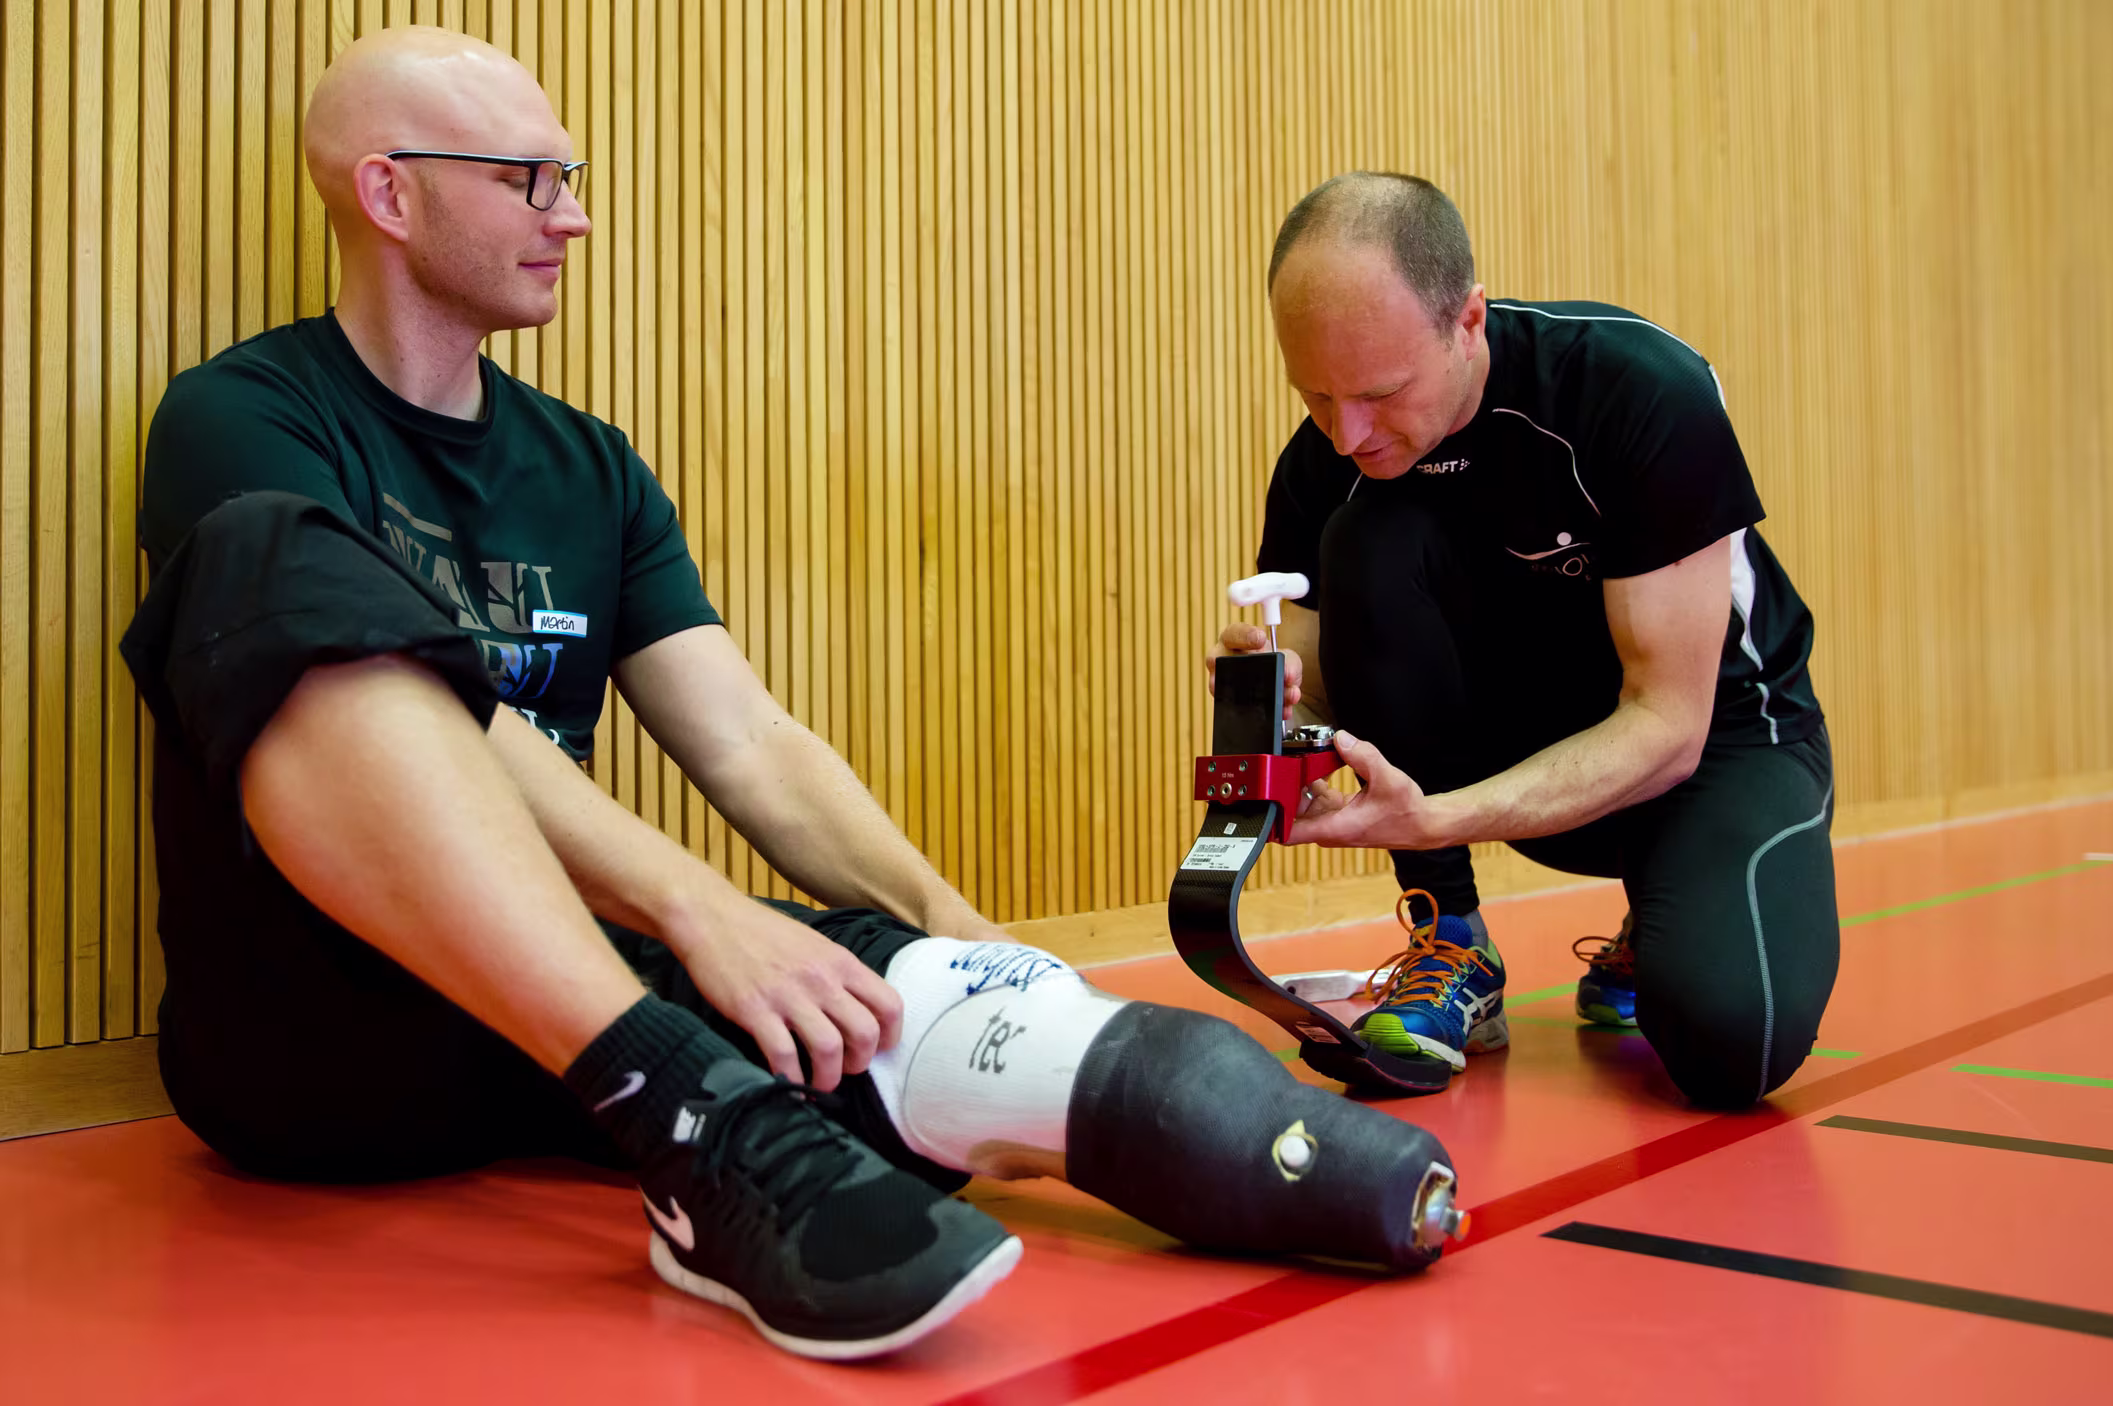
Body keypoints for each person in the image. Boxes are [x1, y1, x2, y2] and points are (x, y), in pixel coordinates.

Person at [123, 31, 1455, 1362]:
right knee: (262, 548)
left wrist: (963, 940)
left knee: (940, 1011)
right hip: (312, 1033)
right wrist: (696, 905)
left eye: (568, 177)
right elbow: (442, 716)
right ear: (390, 192)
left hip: (575, 995)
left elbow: (749, 741)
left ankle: (711, 1130)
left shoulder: (590, 468)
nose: (571, 216)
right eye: (529, 181)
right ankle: (693, 1110)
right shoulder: (241, 422)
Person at [1212, 171, 1837, 1109]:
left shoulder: (1636, 392)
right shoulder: (1328, 461)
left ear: (1469, 320)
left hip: (1714, 746)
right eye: (1316, 396)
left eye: (1380, 393)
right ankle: (1451, 936)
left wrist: (1437, 816)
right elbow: (1325, 691)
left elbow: (1669, 725)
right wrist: (1273, 705)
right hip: (1521, 751)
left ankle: (1667, 909)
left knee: (1731, 1050)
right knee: (1368, 533)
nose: (1348, 434)